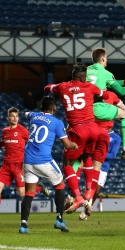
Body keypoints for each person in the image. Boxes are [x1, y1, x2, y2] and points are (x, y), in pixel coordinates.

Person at [44, 64, 110, 214]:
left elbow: (47, 87)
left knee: (67, 164)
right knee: (86, 157)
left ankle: (78, 197)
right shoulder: (89, 86)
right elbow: (104, 95)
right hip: (92, 128)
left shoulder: (62, 87)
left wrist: (52, 88)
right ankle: (88, 191)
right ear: (82, 77)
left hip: (77, 129)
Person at [19, 96, 78, 234]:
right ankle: (59, 219)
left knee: (29, 193)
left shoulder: (33, 115)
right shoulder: (57, 123)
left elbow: (25, 114)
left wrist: (33, 114)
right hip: (43, 160)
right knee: (60, 185)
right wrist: (74, 145)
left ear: (41, 108)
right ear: (54, 109)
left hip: (27, 161)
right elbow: (67, 144)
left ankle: (23, 225)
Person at [86, 47, 125, 159]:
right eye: (106, 59)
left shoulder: (86, 70)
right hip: (97, 108)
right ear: (103, 59)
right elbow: (121, 91)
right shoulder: (106, 73)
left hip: (83, 109)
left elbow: (108, 83)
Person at [0, 107, 50, 202]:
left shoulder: (23, 131)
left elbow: (33, 142)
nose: (15, 118)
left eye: (16, 116)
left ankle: (39, 188)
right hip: (5, 165)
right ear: (8, 118)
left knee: (22, 194)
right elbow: (4, 141)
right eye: (12, 116)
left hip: (18, 165)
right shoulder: (5, 131)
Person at [79, 126, 121, 220]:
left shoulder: (116, 137)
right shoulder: (96, 132)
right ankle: (85, 209)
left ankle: (87, 206)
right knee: (90, 189)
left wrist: (98, 153)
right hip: (93, 165)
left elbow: (113, 155)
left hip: (104, 167)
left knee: (97, 191)